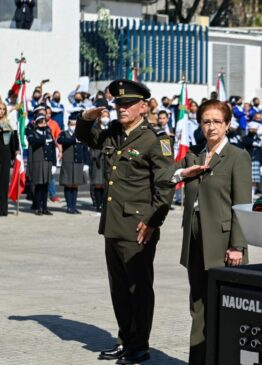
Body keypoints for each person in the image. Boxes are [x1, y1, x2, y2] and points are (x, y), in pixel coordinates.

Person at [76, 80, 175, 364]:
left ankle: (140, 345)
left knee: (139, 289)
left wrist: (153, 221)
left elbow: (166, 186)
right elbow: (86, 138)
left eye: (128, 104)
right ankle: (125, 340)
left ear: (143, 107)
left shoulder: (156, 140)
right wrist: (87, 118)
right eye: (118, 104)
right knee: (119, 288)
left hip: (139, 227)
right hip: (114, 225)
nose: (121, 108)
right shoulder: (113, 134)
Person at [167, 100, 252, 364]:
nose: (211, 126)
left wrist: (237, 246)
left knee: (224, 308)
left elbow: (242, 204)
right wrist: (182, 173)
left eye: (217, 121)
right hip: (195, 242)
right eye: (206, 121)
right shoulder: (193, 156)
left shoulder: (238, 157)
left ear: (227, 125)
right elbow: (164, 177)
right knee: (198, 306)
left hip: (225, 246)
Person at [57, 115, 89, 214]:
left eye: (75, 124)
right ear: (68, 124)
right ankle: (69, 206)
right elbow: (60, 140)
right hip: (67, 162)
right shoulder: (64, 133)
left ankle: (74, 206)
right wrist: (73, 140)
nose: (73, 126)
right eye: (71, 124)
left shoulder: (80, 135)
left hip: (78, 162)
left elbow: (84, 149)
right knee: (68, 184)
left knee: (75, 185)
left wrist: (86, 163)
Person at [26, 115, 57, 215]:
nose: (43, 124)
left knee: (45, 185)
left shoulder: (48, 133)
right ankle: (38, 207)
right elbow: (32, 141)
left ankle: (45, 207)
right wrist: (43, 140)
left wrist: (54, 164)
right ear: (37, 124)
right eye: (40, 122)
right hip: (38, 162)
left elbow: (53, 150)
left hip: (47, 162)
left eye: (44, 122)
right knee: (39, 186)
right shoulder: (33, 133)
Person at [89, 111, 110, 214]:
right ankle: (98, 205)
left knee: (107, 184)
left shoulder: (112, 128)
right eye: (103, 116)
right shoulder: (95, 129)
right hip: (97, 157)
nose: (105, 118)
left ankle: (106, 206)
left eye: (107, 116)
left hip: (109, 158)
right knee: (98, 184)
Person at [241, 121, 262, 195]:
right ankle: (246, 194)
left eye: (255, 130)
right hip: (247, 160)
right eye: (252, 129)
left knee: (254, 180)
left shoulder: (259, 140)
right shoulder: (245, 138)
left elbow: (261, 152)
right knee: (248, 179)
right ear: (249, 129)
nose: (253, 131)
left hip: (257, 161)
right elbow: (245, 142)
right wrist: (252, 143)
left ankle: (252, 194)